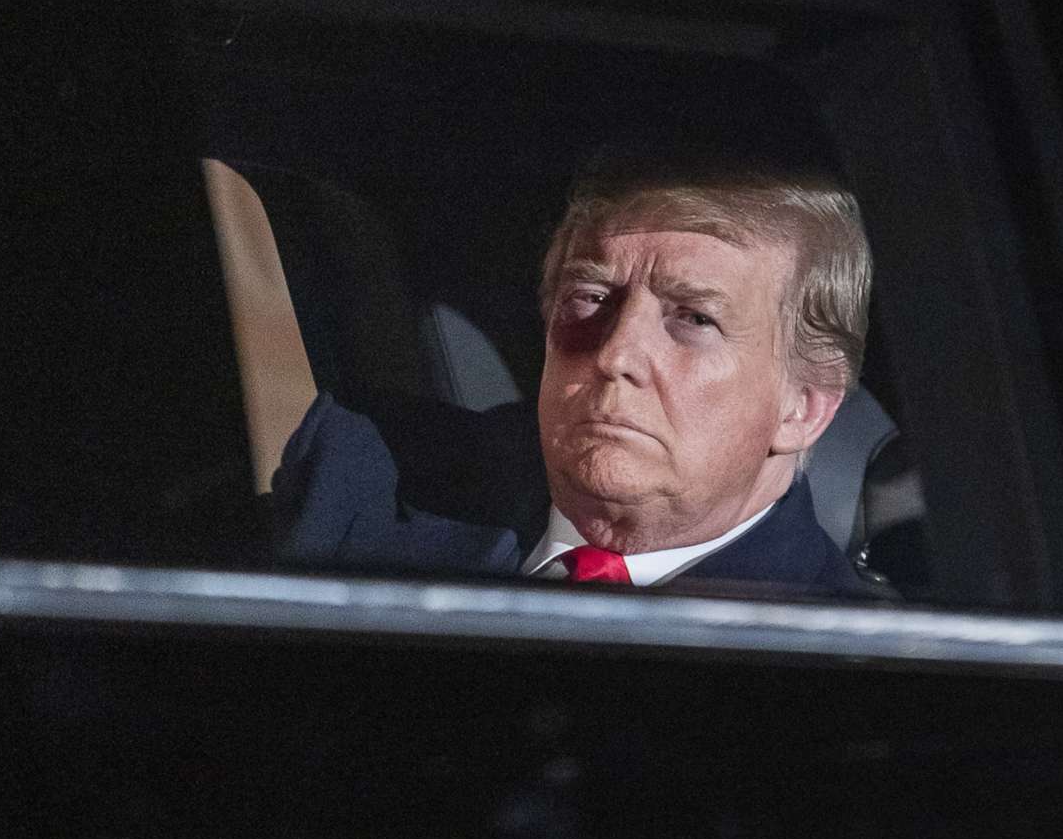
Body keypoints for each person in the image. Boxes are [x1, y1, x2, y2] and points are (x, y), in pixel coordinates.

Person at [271, 151, 878, 596]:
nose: (613, 355)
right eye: (590, 297)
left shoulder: (848, 655)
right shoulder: (364, 487)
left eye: (694, 318)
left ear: (803, 406)